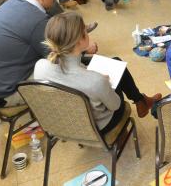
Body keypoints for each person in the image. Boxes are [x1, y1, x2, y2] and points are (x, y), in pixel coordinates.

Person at [34, 12, 162, 130]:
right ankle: (141, 101)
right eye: (85, 30)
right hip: (97, 127)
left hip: (62, 124)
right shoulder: (96, 81)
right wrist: (106, 85)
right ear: (80, 40)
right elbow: (116, 105)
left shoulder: (39, 66)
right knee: (117, 67)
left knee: (115, 62)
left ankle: (141, 101)